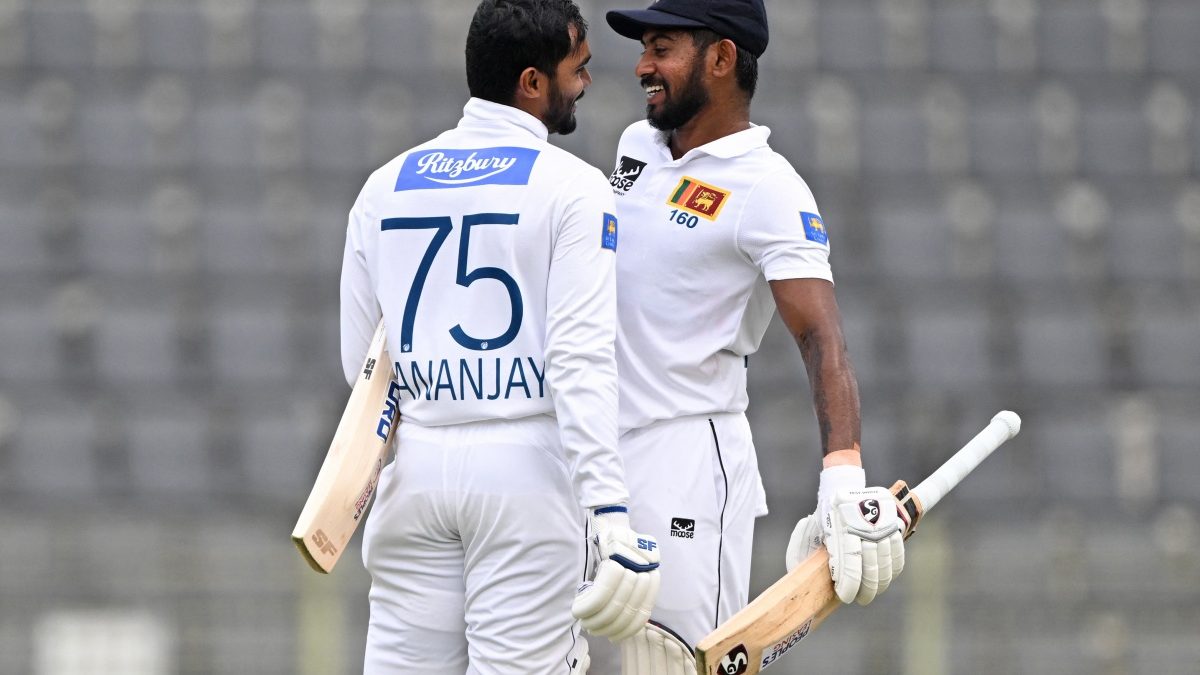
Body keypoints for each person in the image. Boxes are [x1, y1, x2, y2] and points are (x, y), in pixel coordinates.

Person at [339, 2, 659, 672]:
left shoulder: (382, 187)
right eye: (579, 68)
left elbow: (362, 369)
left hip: (414, 471)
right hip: (525, 473)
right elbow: (579, 359)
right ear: (532, 83)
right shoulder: (575, 189)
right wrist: (610, 515)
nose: (587, 83)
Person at [591, 1, 909, 671]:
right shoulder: (633, 148)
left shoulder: (769, 188)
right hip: (598, 460)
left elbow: (821, 337)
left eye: (663, 47)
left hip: (687, 466)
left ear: (722, 57)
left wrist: (842, 479)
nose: (644, 66)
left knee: (674, 664)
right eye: (644, 47)